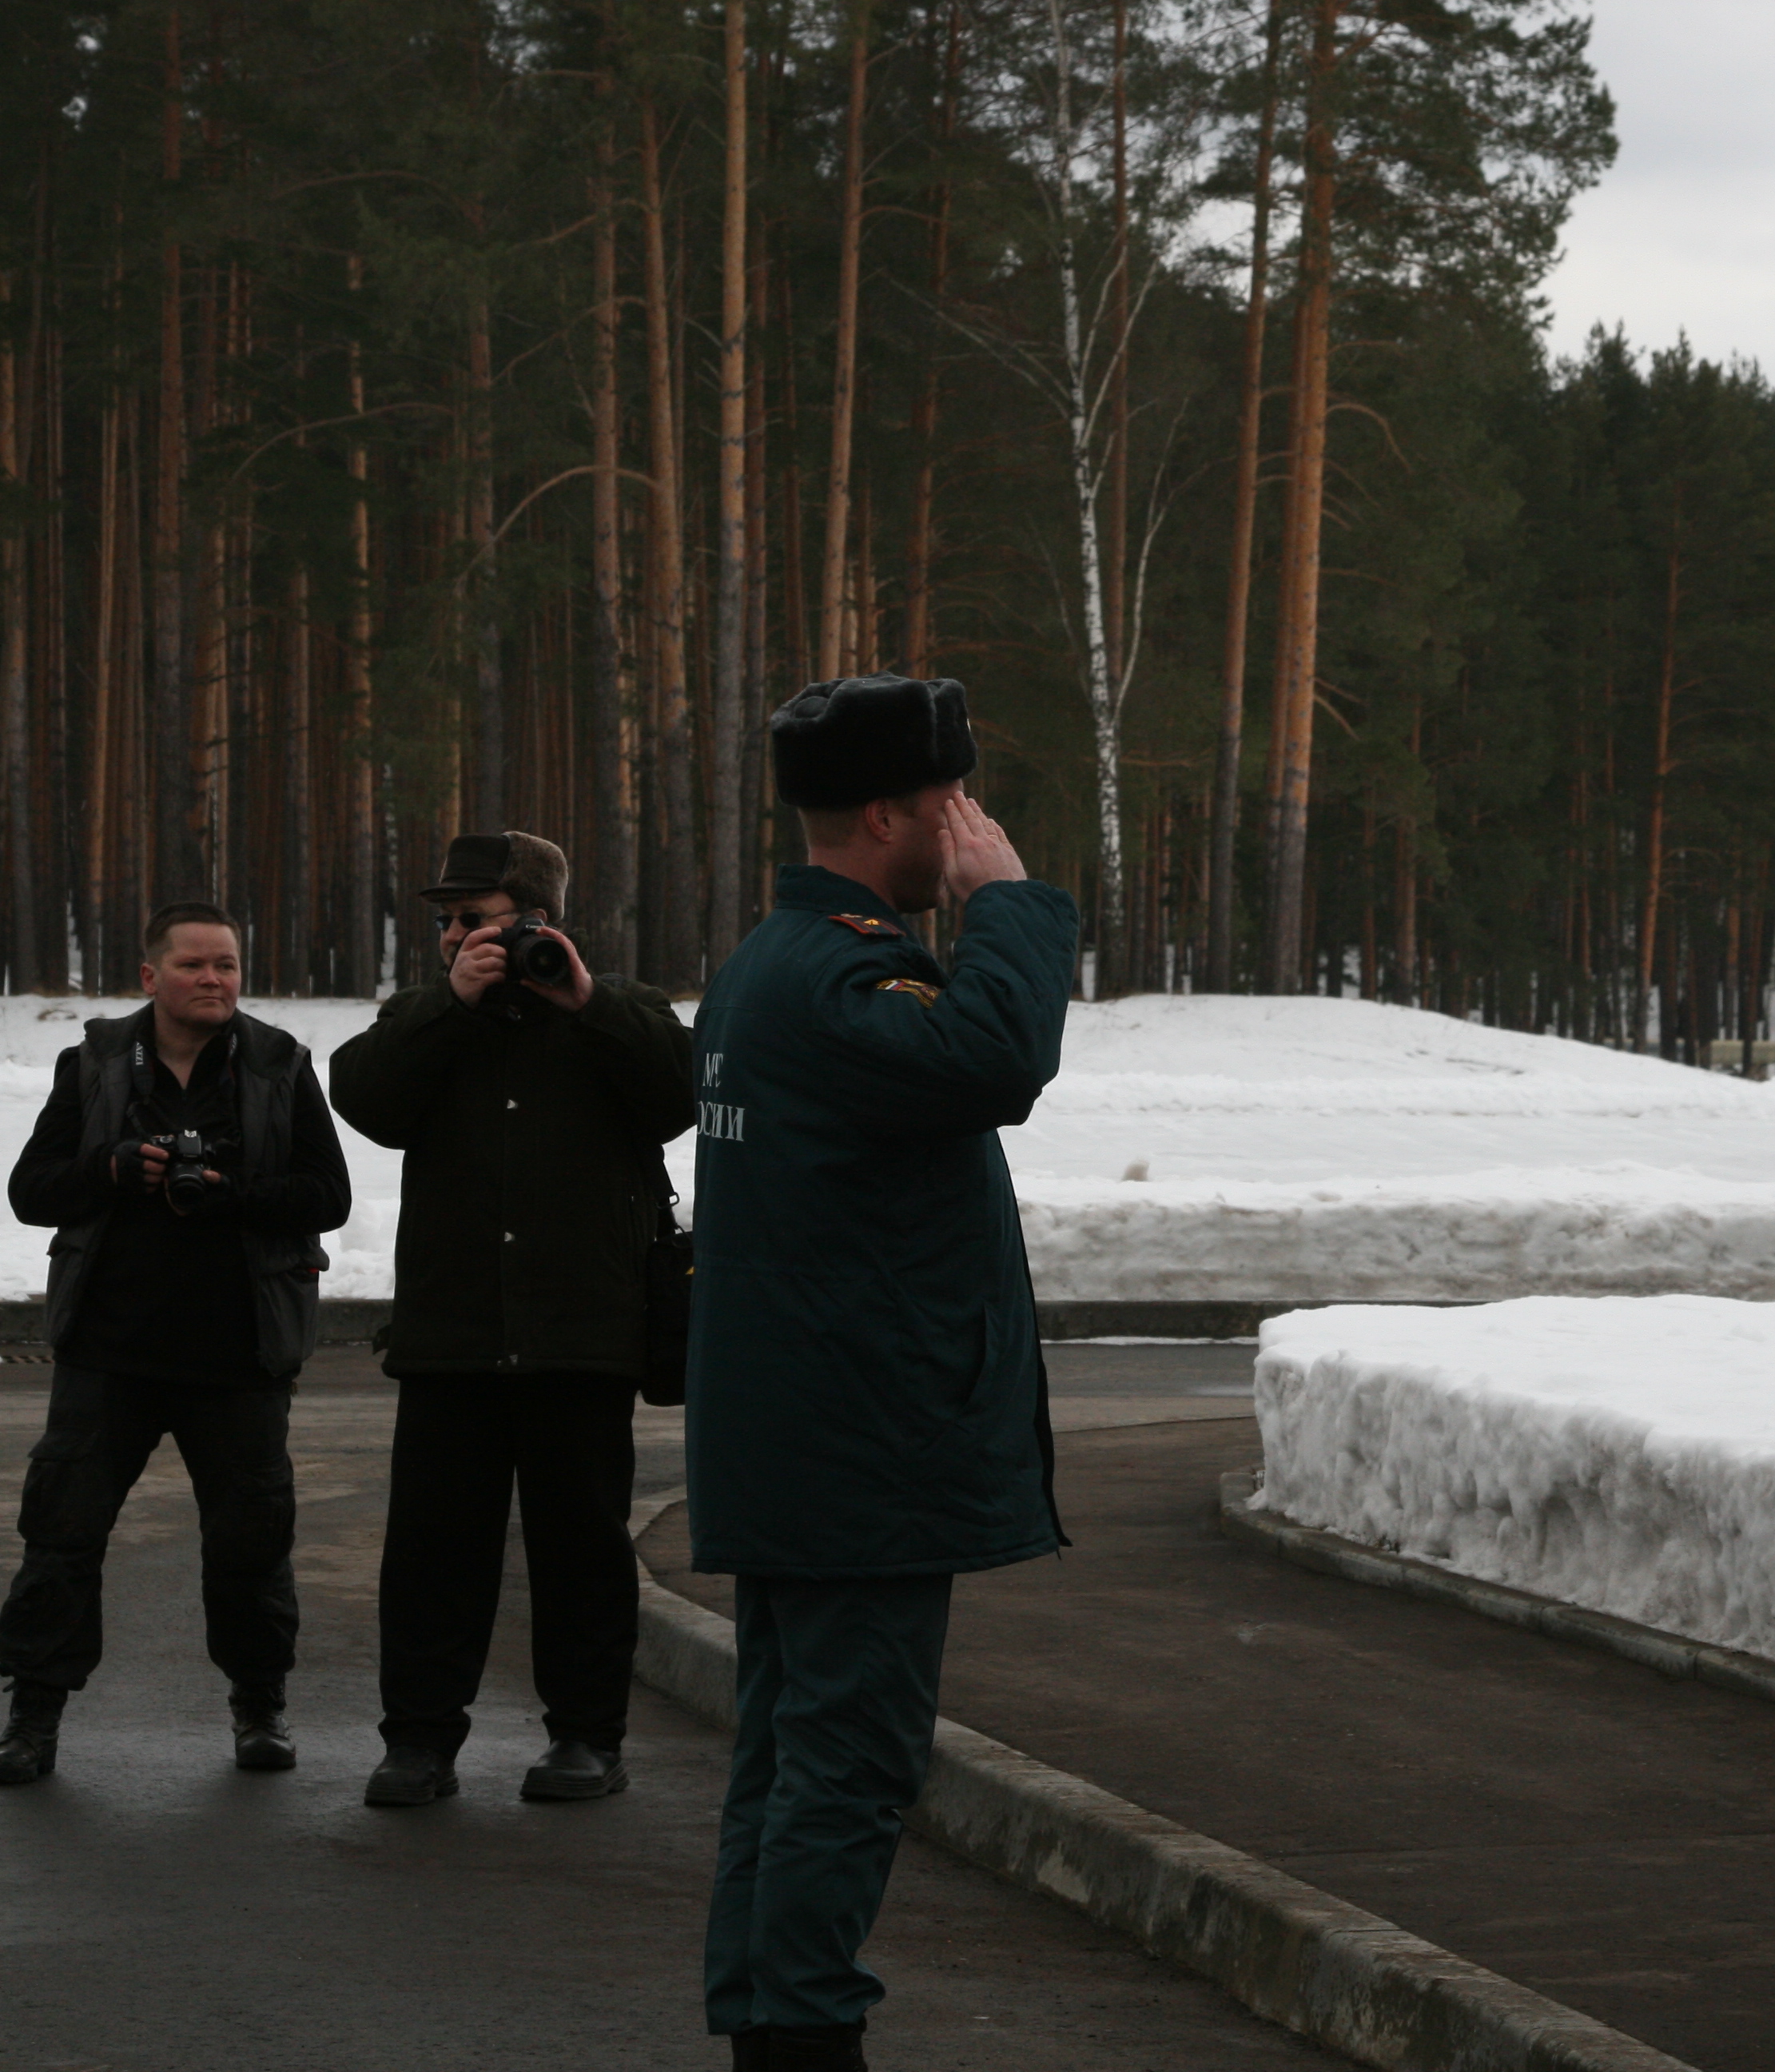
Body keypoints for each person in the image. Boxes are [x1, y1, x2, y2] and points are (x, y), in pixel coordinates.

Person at [689, 673, 1079, 2072]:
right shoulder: (842, 976)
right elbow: (996, 1059)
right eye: (949, 803)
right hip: (858, 1446)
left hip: (805, 1434)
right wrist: (1010, 905)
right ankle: (803, 2032)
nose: (969, 825)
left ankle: (768, 2020)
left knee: (789, 1754)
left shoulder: (770, 961)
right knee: (848, 1764)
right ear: (881, 816)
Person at [328, 831, 695, 1809]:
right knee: (431, 1555)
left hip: (583, 1337)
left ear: (536, 918)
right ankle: (419, 1742)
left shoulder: (619, 1008)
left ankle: (586, 1738)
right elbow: (365, 1099)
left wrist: (587, 1002)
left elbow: (682, 1094)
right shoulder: (424, 1017)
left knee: (582, 1552)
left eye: (474, 918)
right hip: (451, 1337)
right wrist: (450, 1008)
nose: (455, 936)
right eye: (447, 922)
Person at [0, 902, 352, 1785]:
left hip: (239, 1357)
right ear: (151, 976)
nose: (214, 980)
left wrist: (235, 1193)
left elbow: (328, 1196)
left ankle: (259, 1707)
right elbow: (31, 1191)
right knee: (61, 1538)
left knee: (251, 1545)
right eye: (194, 965)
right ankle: (33, 1717)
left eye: (226, 965)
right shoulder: (95, 1064)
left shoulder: (278, 1064)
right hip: (108, 1352)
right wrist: (111, 1169)